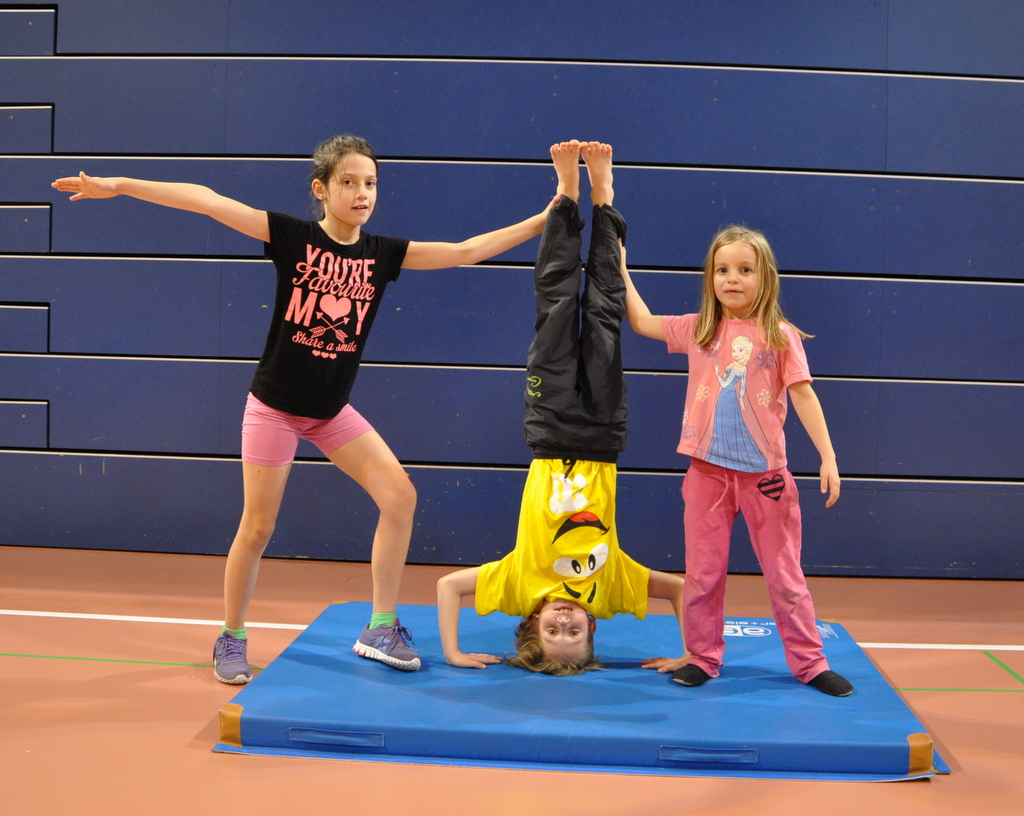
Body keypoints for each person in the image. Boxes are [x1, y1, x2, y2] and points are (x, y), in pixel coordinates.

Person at [52, 134, 553, 682]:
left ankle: (380, 626)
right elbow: (206, 199)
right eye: (348, 182)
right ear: (321, 189)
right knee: (258, 527)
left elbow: (464, 251)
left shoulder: (383, 253)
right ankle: (231, 636)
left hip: (330, 412)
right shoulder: (293, 237)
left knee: (399, 497)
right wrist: (120, 185)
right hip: (275, 408)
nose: (362, 194)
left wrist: (541, 221)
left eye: (370, 183)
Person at [436, 141, 685, 677]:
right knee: (603, 314)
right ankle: (604, 198)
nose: (565, 623)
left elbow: (448, 587)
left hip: (548, 432)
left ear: (533, 623)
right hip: (602, 436)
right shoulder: (610, 588)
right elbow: (680, 590)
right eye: (575, 634)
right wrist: (695, 653)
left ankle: (566, 196)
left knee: (555, 309)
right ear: (593, 627)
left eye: (553, 632)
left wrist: (453, 653)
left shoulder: (518, 585)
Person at [621, 223, 854, 696]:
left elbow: (804, 396)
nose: (732, 278)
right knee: (703, 574)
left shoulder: (780, 336)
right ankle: (702, 657)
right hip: (706, 475)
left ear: (764, 277)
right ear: (710, 277)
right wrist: (620, 269)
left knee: (785, 576)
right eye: (722, 269)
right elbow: (642, 321)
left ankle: (810, 663)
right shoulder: (699, 329)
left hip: (766, 479)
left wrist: (828, 456)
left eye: (745, 270)